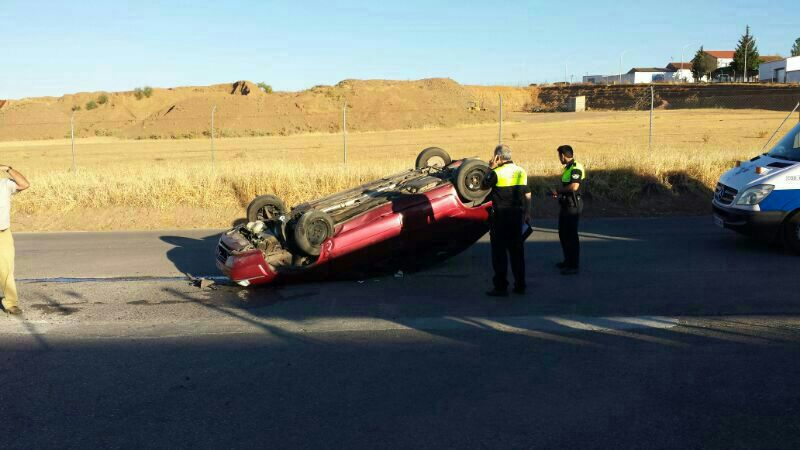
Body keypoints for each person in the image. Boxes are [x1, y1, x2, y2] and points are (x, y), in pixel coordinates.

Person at [482, 144, 530, 297]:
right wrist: (528, 212)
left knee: (499, 254)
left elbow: (483, 185)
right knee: (517, 252)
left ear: (498, 157)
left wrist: (490, 168)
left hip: (500, 218)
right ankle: (520, 285)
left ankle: (501, 287)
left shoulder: (496, 172)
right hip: (517, 216)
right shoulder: (521, 171)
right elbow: (527, 194)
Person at [549, 145, 584, 275]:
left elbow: (574, 186)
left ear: (563, 155)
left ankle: (574, 265)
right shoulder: (568, 168)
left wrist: (558, 191)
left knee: (571, 235)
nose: (559, 158)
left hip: (573, 205)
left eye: (559, 155)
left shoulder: (576, 167)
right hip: (566, 204)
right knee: (563, 233)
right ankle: (567, 261)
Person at [0, 165, 30, 315]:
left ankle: (11, 303)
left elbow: (25, 184)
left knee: (6, 269)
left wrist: (8, 168)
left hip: (3, 232)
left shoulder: (5, 184)